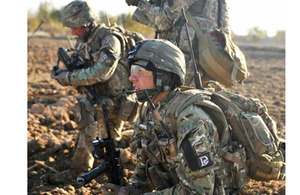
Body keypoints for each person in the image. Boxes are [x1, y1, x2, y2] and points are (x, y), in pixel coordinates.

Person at [103, 39, 245, 194]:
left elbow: (199, 191)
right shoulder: (150, 111)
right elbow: (143, 170)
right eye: (132, 71)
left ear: (162, 76)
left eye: (140, 72)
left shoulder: (191, 119)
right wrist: (130, 190)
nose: (132, 78)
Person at [51, 0, 144, 175]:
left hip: (117, 101)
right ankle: (83, 165)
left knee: (110, 140)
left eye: (75, 27)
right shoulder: (85, 39)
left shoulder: (110, 39)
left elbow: (102, 72)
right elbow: (84, 67)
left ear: (87, 23)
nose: (72, 32)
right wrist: (62, 72)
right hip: (100, 98)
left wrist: (68, 78)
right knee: (87, 115)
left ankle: (81, 170)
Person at [125, 0, 248, 87]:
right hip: (206, 64)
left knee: (173, 110)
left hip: (187, 64)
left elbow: (164, 20)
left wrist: (138, 2)